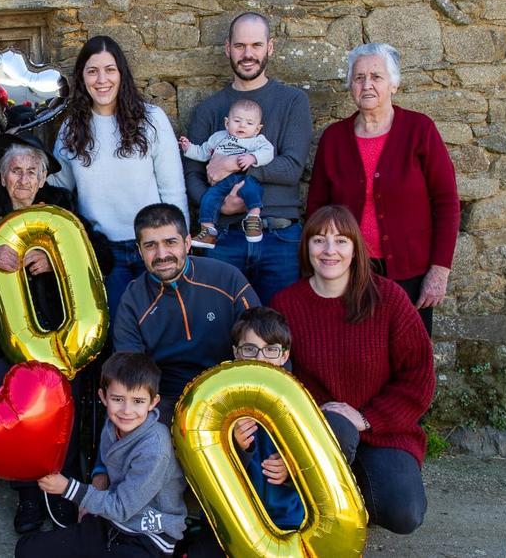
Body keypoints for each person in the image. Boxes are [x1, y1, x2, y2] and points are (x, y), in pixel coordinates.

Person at [0, 107, 111, 534]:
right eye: (15, 171)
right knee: (23, 389)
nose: (24, 179)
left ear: (44, 179)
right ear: (3, 176)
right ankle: (32, 494)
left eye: (32, 171)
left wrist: (55, 258)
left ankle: (62, 487)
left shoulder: (61, 210)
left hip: (61, 335)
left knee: (69, 385)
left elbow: (102, 255)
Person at [271, 205, 435, 534]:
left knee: (404, 514)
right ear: (306, 248)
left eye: (341, 241)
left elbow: (419, 377)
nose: (329, 250)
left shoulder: (388, 298)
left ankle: (355, 490)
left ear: (355, 249)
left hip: (382, 433)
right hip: (318, 434)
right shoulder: (286, 305)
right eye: (319, 240)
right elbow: (275, 379)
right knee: (337, 426)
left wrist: (366, 418)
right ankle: (329, 521)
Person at [307, 42, 460, 334]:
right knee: (355, 354)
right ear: (350, 85)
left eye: (376, 77)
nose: (367, 85)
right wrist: (318, 268)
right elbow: (317, 210)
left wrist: (439, 271)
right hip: (348, 273)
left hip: (410, 273)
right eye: (359, 77)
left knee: (408, 355)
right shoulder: (334, 139)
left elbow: (447, 203)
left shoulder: (419, 130)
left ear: (394, 84)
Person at [49, 35, 187, 318]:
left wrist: (179, 245)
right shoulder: (71, 129)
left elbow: (173, 189)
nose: (102, 79)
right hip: (104, 255)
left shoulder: (151, 119)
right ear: (82, 77)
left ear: (121, 74)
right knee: (118, 335)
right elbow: (57, 190)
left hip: (154, 248)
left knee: (163, 328)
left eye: (110, 69)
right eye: (92, 71)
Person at [184, 12, 312, 305]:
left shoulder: (292, 101)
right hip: (223, 239)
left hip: (279, 239)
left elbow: (292, 167)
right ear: (228, 48)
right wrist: (218, 203)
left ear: (270, 47)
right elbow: (191, 175)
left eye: (256, 45)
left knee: (279, 333)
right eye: (240, 46)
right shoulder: (210, 109)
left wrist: (234, 164)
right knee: (220, 330)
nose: (248, 54)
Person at [16, 352, 187, 557]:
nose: (126, 410)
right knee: (26, 550)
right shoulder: (113, 423)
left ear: (153, 402)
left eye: (138, 401)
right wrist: (93, 499)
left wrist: (69, 489)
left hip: (148, 536)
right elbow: (107, 466)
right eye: (117, 399)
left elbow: (122, 508)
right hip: (110, 523)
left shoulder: (155, 449)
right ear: (103, 397)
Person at [112, 203, 259, 423]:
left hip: (230, 393)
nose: (162, 254)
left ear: (188, 243)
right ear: (140, 250)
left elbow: (265, 339)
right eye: (150, 245)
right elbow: (130, 374)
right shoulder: (132, 300)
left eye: (170, 242)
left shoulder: (227, 277)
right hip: (165, 403)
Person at [228, 307, 305, 532]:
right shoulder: (224, 400)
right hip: (238, 516)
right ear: (236, 352)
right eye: (250, 349)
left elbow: (314, 459)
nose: (260, 359)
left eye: (270, 350)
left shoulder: (298, 401)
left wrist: (292, 467)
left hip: (289, 518)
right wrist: (236, 446)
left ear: (284, 355)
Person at [178, 98, 275, 249]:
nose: (242, 125)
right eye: (237, 121)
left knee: (252, 189)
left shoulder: (257, 141)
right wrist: (189, 148)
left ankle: (254, 218)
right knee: (209, 198)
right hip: (221, 182)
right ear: (227, 122)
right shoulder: (218, 137)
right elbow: (203, 152)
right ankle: (208, 230)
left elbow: (268, 152)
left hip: (244, 177)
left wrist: (253, 157)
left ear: (257, 129)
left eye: (249, 123)